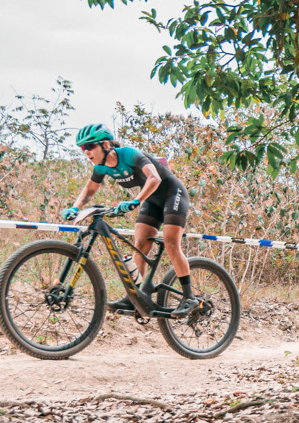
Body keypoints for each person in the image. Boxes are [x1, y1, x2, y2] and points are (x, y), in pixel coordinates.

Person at [61, 124, 197, 316]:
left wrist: (135, 201)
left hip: (173, 193)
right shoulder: (101, 167)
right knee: (140, 244)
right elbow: (90, 189)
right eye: (83, 148)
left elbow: (155, 178)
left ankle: (190, 297)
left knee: (171, 243)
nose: (86, 152)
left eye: (89, 146)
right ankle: (134, 297)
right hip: (151, 199)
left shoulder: (129, 154)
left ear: (105, 145)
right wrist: (75, 207)